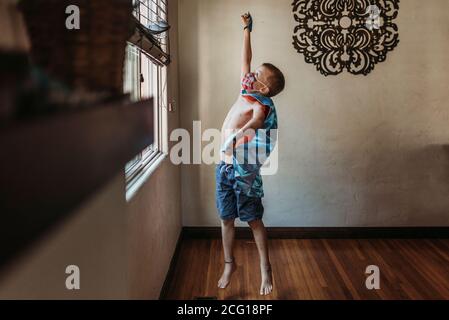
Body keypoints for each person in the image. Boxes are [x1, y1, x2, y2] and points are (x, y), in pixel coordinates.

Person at [215, 12, 285, 296]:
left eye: (256, 75)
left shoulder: (263, 105)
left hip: (244, 172)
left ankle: (265, 268)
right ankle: (229, 263)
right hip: (224, 167)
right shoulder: (247, 90)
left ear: (264, 87)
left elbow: (256, 121)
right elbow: (245, 59)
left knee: (254, 220)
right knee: (226, 218)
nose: (250, 74)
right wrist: (247, 30)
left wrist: (237, 134)